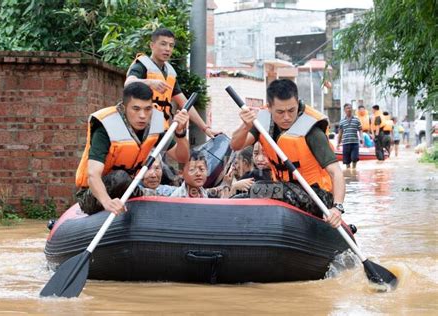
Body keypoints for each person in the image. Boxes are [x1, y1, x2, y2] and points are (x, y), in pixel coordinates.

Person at [230, 79, 344, 228]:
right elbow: (235, 144)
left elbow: (336, 172)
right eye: (280, 112)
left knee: (262, 189)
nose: (287, 117)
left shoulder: (311, 131)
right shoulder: (262, 123)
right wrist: (246, 126)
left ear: (297, 103)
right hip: (283, 189)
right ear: (270, 108)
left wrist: (338, 208)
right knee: (245, 192)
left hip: (317, 195)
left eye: (291, 110)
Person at [75, 82, 190, 215]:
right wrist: (107, 202)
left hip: (131, 187)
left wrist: (180, 134)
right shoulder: (105, 127)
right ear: (124, 108)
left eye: (147, 109)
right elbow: (93, 174)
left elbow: (182, 157)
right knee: (121, 177)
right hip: (93, 195)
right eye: (136, 109)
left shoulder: (154, 124)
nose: (142, 115)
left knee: (166, 175)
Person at [125, 28, 219, 138]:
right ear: (152, 45)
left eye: (171, 45)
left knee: (180, 153)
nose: (167, 49)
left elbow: (184, 103)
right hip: (139, 130)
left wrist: (205, 128)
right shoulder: (141, 65)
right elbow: (128, 83)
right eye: (163, 44)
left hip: (160, 130)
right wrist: (149, 82)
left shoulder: (169, 73)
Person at [337, 103, 363, 169]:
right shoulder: (342, 121)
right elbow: (340, 133)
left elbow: (360, 130)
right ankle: (348, 173)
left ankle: (354, 170)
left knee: (354, 158)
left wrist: (361, 138)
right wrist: (338, 143)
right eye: (347, 108)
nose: (349, 109)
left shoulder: (356, 119)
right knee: (347, 161)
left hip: (355, 143)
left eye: (350, 108)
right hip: (345, 143)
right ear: (344, 110)